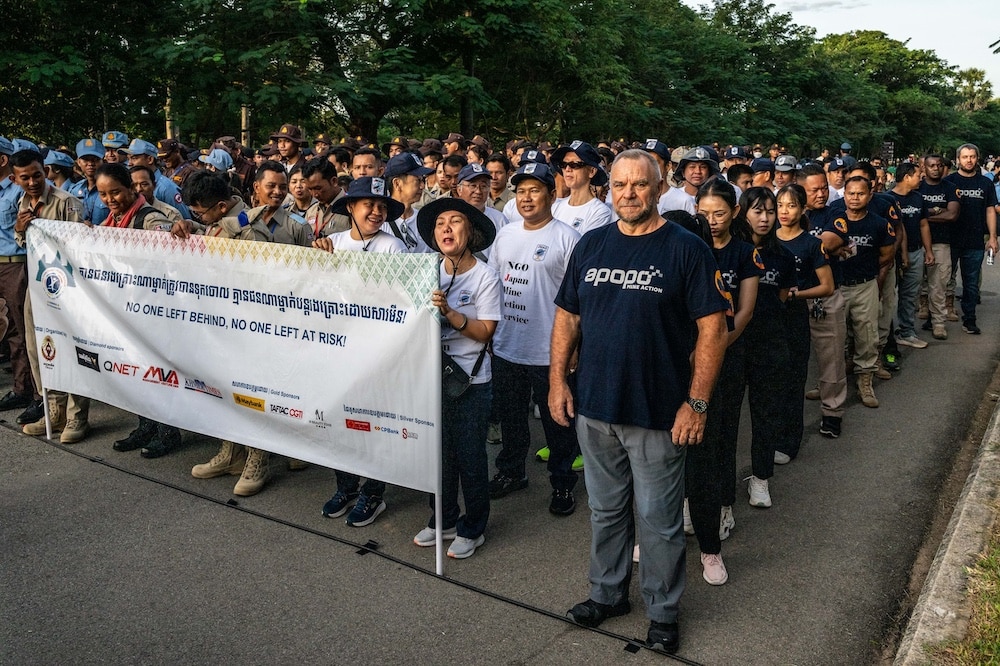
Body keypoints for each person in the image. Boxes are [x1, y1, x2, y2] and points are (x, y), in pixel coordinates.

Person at [551, 150, 728, 654]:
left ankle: (663, 611)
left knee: (658, 519)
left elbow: (712, 329)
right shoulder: (591, 245)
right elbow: (567, 317)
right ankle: (607, 595)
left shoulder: (687, 249)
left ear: (659, 187)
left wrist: (696, 403)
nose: (629, 194)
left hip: (658, 411)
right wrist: (558, 382)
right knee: (606, 511)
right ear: (610, 188)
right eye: (621, 185)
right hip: (595, 406)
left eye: (640, 185)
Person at [486, 162, 582, 515]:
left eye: (535, 190)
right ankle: (512, 472)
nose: (526, 198)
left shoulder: (567, 239)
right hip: (509, 347)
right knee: (512, 419)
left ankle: (562, 484)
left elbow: (579, 301)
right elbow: (494, 286)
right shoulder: (507, 234)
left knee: (558, 423)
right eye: (521, 191)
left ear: (552, 195)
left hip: (550, 351)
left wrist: (574, 349)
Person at [411, 197, 501, 558]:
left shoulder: (484, 276)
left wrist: (450, 314)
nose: (446, 228)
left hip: (470, 382)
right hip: (433, 377)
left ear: (471, 232)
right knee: (439, 455)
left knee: (470, 457)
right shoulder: (426, 269)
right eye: (439, 224)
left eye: (455, 222)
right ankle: (443, 520)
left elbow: (486, 332)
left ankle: (473, 527)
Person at [317, 177, 407, 525]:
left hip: (374, 352)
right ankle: (347, 485)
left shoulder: (392, 248)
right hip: (337, 350)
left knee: (371, 424)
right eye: (368, 204)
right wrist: (317, 259)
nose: (376, 211)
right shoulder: (331, 243)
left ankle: (374, 492)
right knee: (339, 421)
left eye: (382, 206)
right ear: (351, 208)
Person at [11, 149, 91, 442]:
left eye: (36, 175)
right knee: (39, 349)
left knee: (70, 349)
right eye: (25, 178)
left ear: (45, 170)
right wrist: (21, 229)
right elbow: (26, 242)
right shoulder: (23, 200)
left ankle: (76, 417)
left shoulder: (67, 202)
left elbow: (77, 246)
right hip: (38, 284)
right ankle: (53, 411)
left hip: (67, 287)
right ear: (15, 178)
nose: (32, 182)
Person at [732, 187, 795, 501]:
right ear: (743, 212)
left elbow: (781, 299)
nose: (765, 218)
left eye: (770, 211)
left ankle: (760, 478)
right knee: (727, 421)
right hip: (733, 345)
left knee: (765, 414)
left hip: (770, 344)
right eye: (758, 210)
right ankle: (719, 488)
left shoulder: (782, 256)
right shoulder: (732, 251)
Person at [775, 184, 833, 459]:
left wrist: (798, 294)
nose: (785, 212)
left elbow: (827, 286)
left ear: (802, 209)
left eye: (791, 205)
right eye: (781, 205)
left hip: (795, 318)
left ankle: (789, 442)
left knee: (793, 381)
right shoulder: (763, 240)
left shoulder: (811, 244)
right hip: (766, 319)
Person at [836, 176, 896, 408]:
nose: (855, 198)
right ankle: (830, 383)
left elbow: (887, 255)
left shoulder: (879, 224)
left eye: (861, 193)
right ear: (844, 194)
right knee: (835, 338)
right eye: (851, 193)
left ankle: (865, 382)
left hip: (865, 285)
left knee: (867, 335)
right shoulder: (835, 219)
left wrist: (872, 274)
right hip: (838, 285)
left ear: (870, 195)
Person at [944, 143, 999, 335]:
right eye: (965, 157)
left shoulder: (985, 183)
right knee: (943, 280)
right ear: (958, 159)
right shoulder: (949, 182)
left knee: (971, 282)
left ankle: (969, 318)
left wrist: (992, 237)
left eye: (972, 157)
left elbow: (990, 210)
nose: (969, 160)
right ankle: (937, 318)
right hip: (950, 240)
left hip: (975, 241)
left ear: (978, 159)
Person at [890, 162, 934, 348]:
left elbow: (924, 225)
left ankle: (907, 331)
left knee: (909, 295)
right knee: (888, 297)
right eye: (918, 175)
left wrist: (928, 250)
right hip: (892, 255)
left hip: (916, 251)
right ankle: (886, 336)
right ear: (907, 177)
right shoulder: (887, 199)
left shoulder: (918, 198)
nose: (921, 178)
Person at [919, 154, 960, 338]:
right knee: (915, 286)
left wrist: (924, 215)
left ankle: (938, 324)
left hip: (942, 243)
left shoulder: (950, 188)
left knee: (939, 287)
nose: (936, 168)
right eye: (932, 165)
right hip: (917, 243)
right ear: (924, 168)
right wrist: (938, 210)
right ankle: (908, 326)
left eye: (939, 165)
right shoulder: (917, 188)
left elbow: (952, 215)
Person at [550, 140, 612, 234]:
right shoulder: (555, 207)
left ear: (592, 171)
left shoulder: (600, 212)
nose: (567, 169)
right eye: (563, 164)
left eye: (575, 165)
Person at [244, 161, 312, 246]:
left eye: (283, 187)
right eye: (271, 186)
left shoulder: (298, 227)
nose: (277, 192)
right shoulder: (244, 221)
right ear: (257, 187)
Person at [382, 152, 435, 252]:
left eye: (422, 180)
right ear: (397, 183)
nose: (422, 186)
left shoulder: (424, 221)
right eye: (417, 181)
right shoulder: (380, 221)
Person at [68, 138, 109, 224]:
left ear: (103, 161)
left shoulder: (110, 190)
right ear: (79, 162)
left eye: (95, 159)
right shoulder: (74, 190)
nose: (90, 164)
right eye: (86, 159)